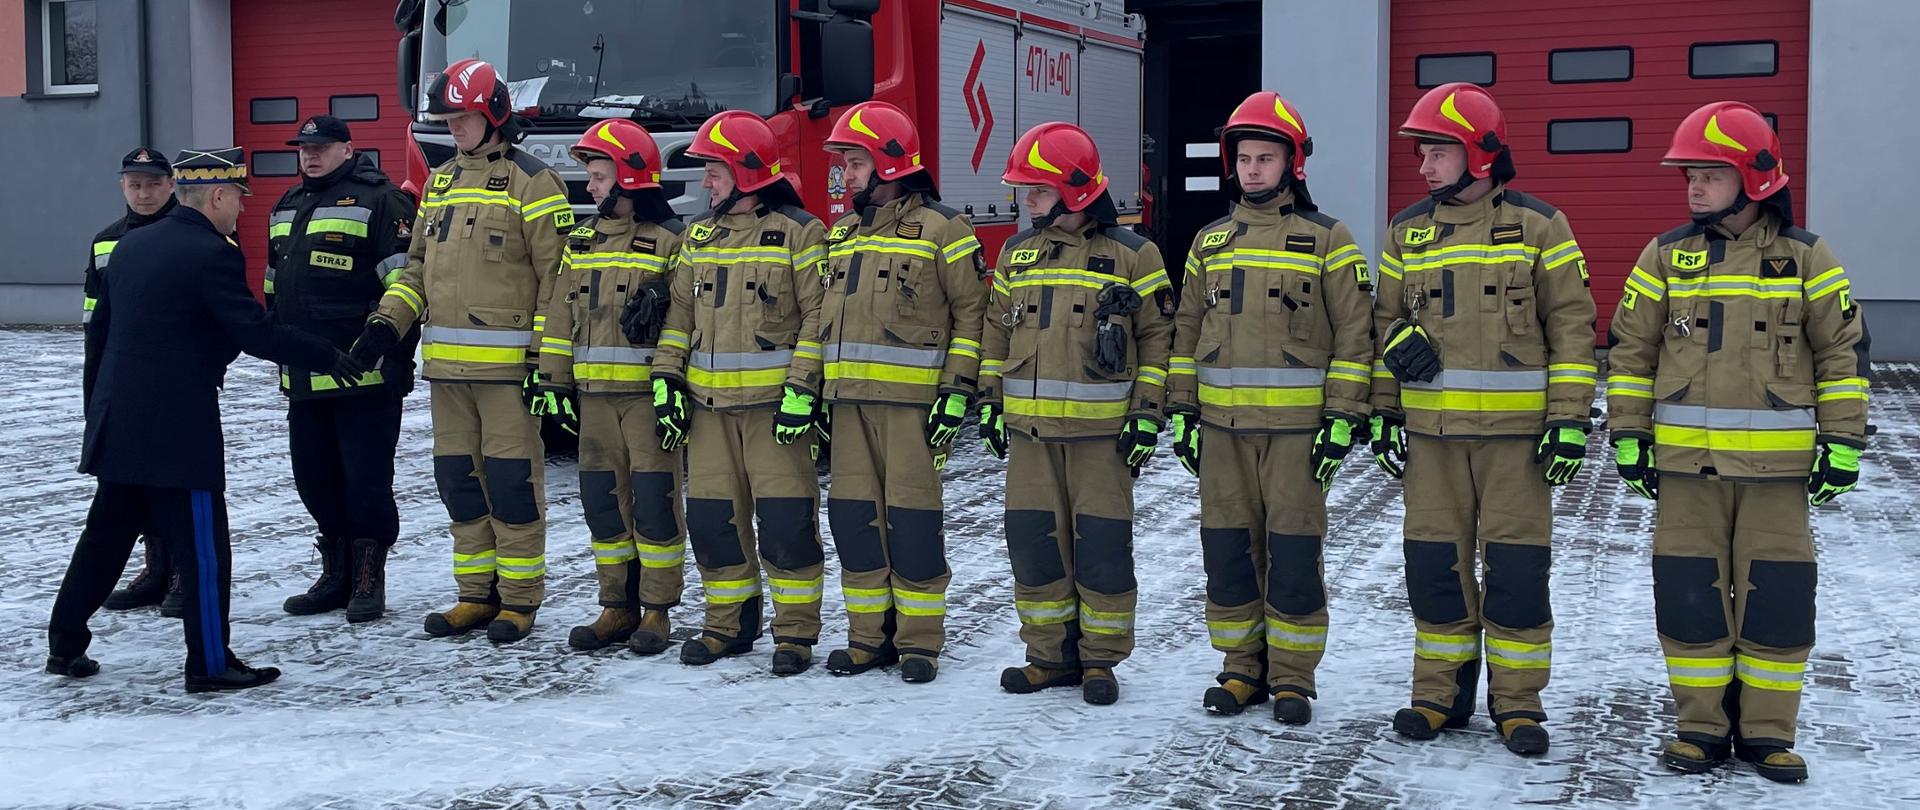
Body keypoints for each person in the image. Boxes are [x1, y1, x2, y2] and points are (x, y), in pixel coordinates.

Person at [1606, 101, 1869, 784]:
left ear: (1755, 178)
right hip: (1687, 472)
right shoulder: (1664, 256)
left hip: (1777, 476)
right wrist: (1629, 434)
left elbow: (1842, 357)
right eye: (1690, 174)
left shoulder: (1807, 257)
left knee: (1778, 601)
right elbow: (1630, 353)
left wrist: (1843, 444)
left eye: (1709, 175)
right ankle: (1699, 726)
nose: (1693, 187)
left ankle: (1767, 734)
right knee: (1689, 595)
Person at [47, 147, 367, 691]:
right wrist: (328, 355)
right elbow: (253, 331)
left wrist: (95, 413)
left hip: (118, 419)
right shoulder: (209, 252)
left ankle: (64, 645)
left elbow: (102, 335)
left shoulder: (130, 245)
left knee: (104, 537)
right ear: (217, 196)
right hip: (176, 431)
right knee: (203, 549)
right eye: (238, 200)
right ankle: (210, 664)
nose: (241, 211)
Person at [1369, 82, 1597, 756]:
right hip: (1432, 443)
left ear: (1478, 153)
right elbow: (1382, 325)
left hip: (1516, 446)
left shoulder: (1539, 226)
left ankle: (1519, 705)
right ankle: (1438, 695)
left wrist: (1569, 421)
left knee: (1517, 574)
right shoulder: (1406, 231)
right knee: (1434, 568)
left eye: (1437, 151)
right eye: (1423, 152)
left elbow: (1574, 329)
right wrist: (1384, 412)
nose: (1423, 165)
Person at [1165, 92, 1374, 724]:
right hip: (1223, 434)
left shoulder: (1328, 239)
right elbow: (1185, 330)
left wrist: (1344, 414)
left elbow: (1356, 335)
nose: (1252, 169)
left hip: (1295, 436)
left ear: (1293, 165)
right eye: (1245, 158)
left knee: (1292, 556)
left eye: (1266, 158)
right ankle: (1239, 670)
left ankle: (1292, 678)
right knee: (1227, 554)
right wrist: (1181, 409)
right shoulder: (1209, 241)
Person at [351, 59, 571, 643]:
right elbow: (417, 268)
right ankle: (474, 594)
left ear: (494, 114)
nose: (455, 128)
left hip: (508, 376)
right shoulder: (441, 181)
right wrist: (386, 322)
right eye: (448, 119)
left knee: (512, 485)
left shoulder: (534, 182)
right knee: (459, 484)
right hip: (446, 373)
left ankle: (520, 601)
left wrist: (546, 365)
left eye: (464, 117)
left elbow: (558, 282)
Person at [979, 121, 1174, 706]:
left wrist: (1147, 414)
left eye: (1036, 190)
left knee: (1102, 547)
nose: (1027, 201)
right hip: (1030, 438)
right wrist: (990, 403)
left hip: (1101, 438)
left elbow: (1161, 340)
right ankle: (1047, 656)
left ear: (1076, 189)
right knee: (1035, 545)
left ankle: (1099, 662)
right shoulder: (1017, 252)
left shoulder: (1136, 255)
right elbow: (994, 332)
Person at [650, 110, 829, 675]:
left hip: (774, 415)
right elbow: (678, 317)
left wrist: (802, 391)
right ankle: (728, 625)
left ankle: (795, 635)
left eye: (716, 172)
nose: (706, 183)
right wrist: (667, 381)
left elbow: (817, 321)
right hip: (708, 414)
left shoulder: (802, 233)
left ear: (749, 173)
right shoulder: (698, 237)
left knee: (785, 527)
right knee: (712, 524)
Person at [814, 101, 988, 684]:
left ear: (890, 162)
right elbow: (821, 325)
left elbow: (973, 317)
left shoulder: (946, 230)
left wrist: (957, 392)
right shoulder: (840, 236)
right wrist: (809, 392)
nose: (846, 175)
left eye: (856, 161)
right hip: (848, 408)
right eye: (843, 163)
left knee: (912, 524)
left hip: (912, 411)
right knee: (854, 521)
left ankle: (919, 643)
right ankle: (867, 640)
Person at [534, 119, 689, 654]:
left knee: (654, 503)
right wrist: (551, 379)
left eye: (599, 177)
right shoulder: (581, 241)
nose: (591, 187)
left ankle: (657, 612)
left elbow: (685, 323)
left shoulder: (672, 242)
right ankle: (615, 607)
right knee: (603, 504)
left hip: (646, 400)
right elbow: (558, 314)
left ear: (629, 179)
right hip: (593, 399)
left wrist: (673, 386)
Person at [267, 116, 420, 624]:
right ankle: (335, 572)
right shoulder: (286, 205)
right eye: (305, 148)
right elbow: (273, 285)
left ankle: (367, 578)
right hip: (305, 377)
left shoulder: (382, 201)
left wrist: (391, 354)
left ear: (348, 149)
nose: (310, 156)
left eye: (322, 147)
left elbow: (404, 287)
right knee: (314, 480)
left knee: (366, 483)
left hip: (364, 379)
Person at [89, 146, 184, 617]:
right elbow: (95, 326)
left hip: (175, 387)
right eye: (134, 184)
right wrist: (94, 394)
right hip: (121, 386)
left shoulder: (192, 235)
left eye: (152, 184)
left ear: (171, 186)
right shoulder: (105, 242)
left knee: (178, 483)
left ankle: (184, 573)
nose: (143, 193)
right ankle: (156, 568)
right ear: (122, 185)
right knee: (131, 486)